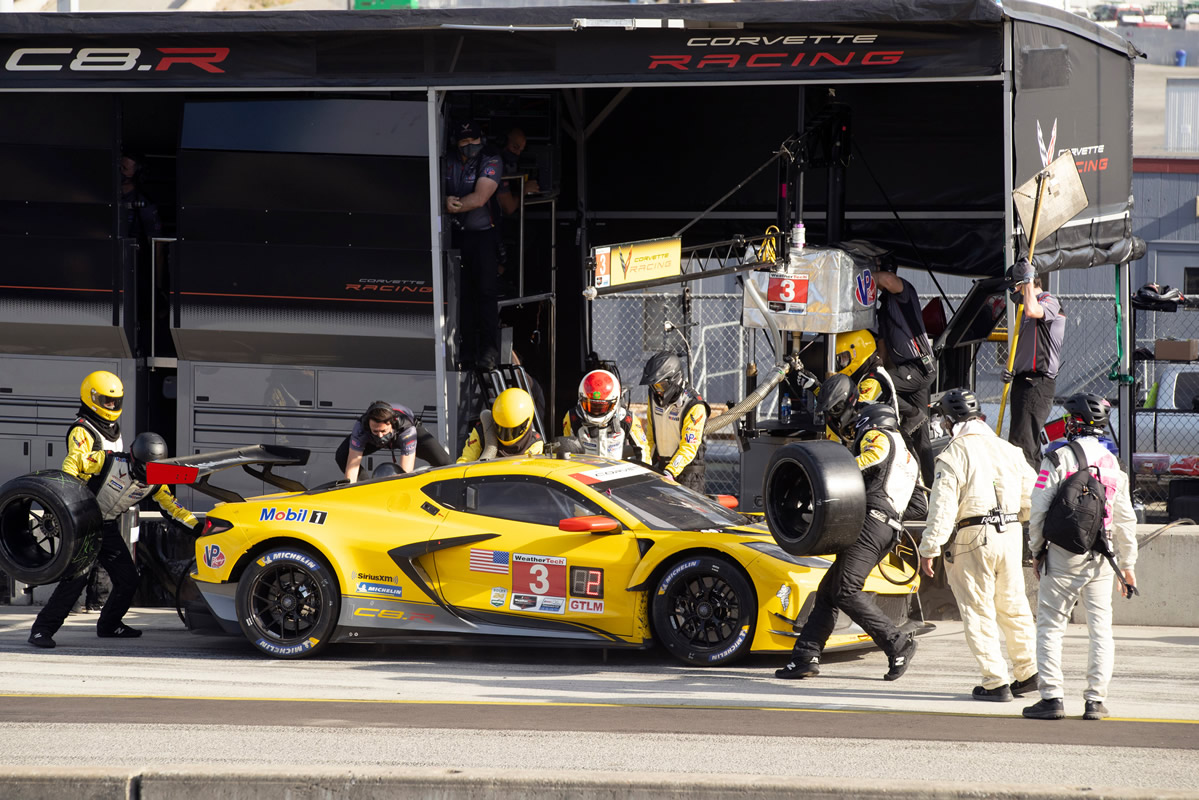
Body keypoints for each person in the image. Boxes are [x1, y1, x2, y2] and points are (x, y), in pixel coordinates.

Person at [776, 396, 919, 681]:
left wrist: (825, 475)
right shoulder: (909, 457)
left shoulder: (880, 436)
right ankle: (805, 656)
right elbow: (920, 506)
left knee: (846, 589)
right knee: (829, 590)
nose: (859, 434)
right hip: (887, 528)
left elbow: (867, 460)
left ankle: (897, 643)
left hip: (872, 524)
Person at [917, 388, 1039, 702]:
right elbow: (1032, 498)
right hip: (1011, 532)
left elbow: (942, 508)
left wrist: (930, 549)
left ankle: (995, 681)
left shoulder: (953, 454)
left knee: (978, 610)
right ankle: (1028, 673)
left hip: (972, 536)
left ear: (947, 420)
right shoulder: (1009, 449)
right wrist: (1015, 519)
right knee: (1014, 606)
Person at [1023, 393, 1138, 721]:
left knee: (1050, 625)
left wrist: (1036, 551)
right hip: (1102, 555)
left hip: (1062, 554)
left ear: (1075, 423)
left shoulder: (1057, 457)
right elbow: (1125, 518)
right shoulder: (1112, 463)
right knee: (1101, 628)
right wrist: (1127, 565)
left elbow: (1039, 510)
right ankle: (1095, 700)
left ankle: (1052, 698)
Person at [28, 433, 198, 649]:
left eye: (154, 468)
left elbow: (174, 509)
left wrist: (199, 527)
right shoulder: (108, 460)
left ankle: (109, 625)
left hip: (107, 527)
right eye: (145, 467)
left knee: (128, 579)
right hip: (82, 524)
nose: (148, 474)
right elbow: (75, 460)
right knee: (77, 580)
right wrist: (66, 492)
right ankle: (42, 630)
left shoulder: (158, 483)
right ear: (134, 458)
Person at [445, 120, 504, 371]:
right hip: (454, 236)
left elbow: (480, 198)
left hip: (484, 236)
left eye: (474, 140)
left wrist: (450, 204)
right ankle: (466, 352)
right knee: (462, 297)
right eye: (464, 141)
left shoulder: (490, 159)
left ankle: (489, 353)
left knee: (486, 295)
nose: (470, 146)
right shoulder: (447, 160)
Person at [68, 371, 126, 614]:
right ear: (91, 398)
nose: (112, 405)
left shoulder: (113, 427)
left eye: (115, 401)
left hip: (111, 501)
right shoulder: (82, 430)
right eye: (106, 401)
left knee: (105, 559)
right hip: (87, 502)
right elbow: (75, 463)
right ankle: (70, 603)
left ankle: (98, 601)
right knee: (82, 558)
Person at [874, 262, 937, 484]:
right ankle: (929, 489)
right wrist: (878, 369)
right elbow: (882, 348)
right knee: (921, 437)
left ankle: (912, 414)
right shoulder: (882, 308)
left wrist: (858, 278)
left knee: (876, 386)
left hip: (919, 366)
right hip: (905, 370)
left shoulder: (904, 292)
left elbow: (887, 280)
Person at [1004, 258, 1067, 469]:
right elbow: (1023, 345)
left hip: (1037, 383)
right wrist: (1010, 368)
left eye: (1014, 286)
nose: (1013, 292)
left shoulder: (1049, 302)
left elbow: (1034, 310)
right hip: (1023, 380)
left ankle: (1030, 497)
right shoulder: (1023, 308)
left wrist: (1027, 279)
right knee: (1020, 442)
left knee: (1024, 444)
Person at [640, 351, 709, 492]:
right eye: (653, 386)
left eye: (660, 386)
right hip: (661, 467)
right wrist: (645, 464)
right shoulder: (653, 398)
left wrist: (671, 472)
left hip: (688, 474)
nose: (657, 391)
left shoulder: (694, 405)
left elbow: (688, 447)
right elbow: (650, 437)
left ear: (675, 379)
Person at [335, 401, 452, 483]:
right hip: (370, 438)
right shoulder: (361, 428)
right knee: (342, 456)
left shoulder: (407, 429)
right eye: (375, 431)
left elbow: (405, 473)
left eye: (383, 431)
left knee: (445, 462)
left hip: (402, 434)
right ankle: (366, 486)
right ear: (368, 425)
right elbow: (352, 469)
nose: (380, 435)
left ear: (392, 425)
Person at [562, 369, 648, 463]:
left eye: (601, 407)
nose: (596, 412)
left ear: (614, 402)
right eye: (591, 406)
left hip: (614, 474)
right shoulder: (572, 417)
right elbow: (567, 452)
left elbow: (643, 450)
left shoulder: (626, 418)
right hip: (583, 473)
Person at [458, 388, 544, 462]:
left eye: (512, 431)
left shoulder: (534, 443)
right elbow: (465, 461)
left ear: (526, 424)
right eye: (500, 428)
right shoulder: (481, 432)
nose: (506, 435)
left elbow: (524, 473)